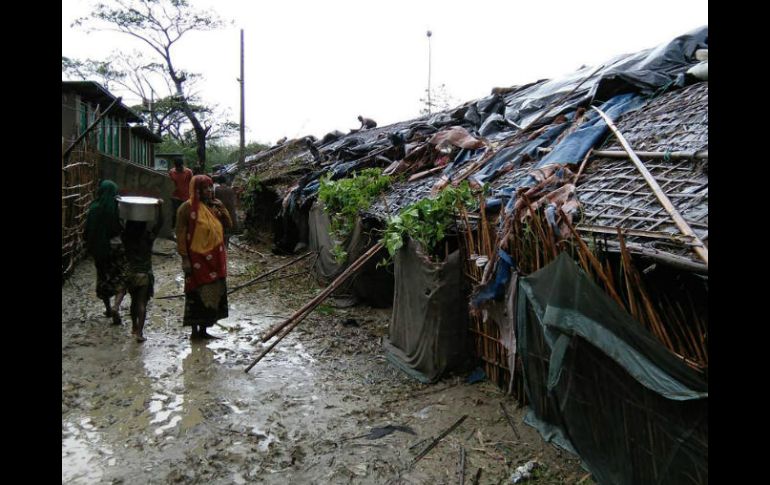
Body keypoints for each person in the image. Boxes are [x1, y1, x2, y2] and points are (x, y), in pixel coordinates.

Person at [175, 175, 232, 340]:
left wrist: (222, 208)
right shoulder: (186, 208)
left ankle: (204, 330)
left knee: (213, 292)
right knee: (196, 292)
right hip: (196, 259)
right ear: (197, 190)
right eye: (205, 188)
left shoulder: (213, 206)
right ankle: (195, 331)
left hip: (215, 258)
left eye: (210, 187)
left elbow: (229, 225)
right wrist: (185, 258)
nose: (209, 191)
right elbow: (180, 233)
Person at [84, 180, 127, 325]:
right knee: (121, 277)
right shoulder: (118, 207)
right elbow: (122, 227)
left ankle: (108, 309)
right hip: (116, 247)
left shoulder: (94, 208)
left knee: (103, 278)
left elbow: (88, 230)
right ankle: (116, 306)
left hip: (100, 249)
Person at [121, 200, 164, 342]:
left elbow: (117, 223)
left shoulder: (126, 237)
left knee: (133, 302)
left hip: (131, 273)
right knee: (142, 303)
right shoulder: (148, 237)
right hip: (144, 274)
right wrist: (160, 208)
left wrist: (118, 207)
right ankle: (140, 332)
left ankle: (134, 326)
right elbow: (160, 223)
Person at [212, 174, 239, 248]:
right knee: (227, 234)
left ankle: (221, 248)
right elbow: (234, 202)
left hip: (220, 214)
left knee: (221, 233)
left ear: (218, 181)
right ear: (226, 181)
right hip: (230, 214)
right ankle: (226, 248)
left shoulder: (216, 190)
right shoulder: (231, 190)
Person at [168, 159, 193, 232]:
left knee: (185, 213)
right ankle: (174, 229)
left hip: (186, 197)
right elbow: (169, 183)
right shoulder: (171, 172)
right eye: (177, 167)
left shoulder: (188, 172)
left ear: (183, 165)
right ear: (175, 166)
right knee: (175, 213)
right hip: (175, 196)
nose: (179, 169)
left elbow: (192, 183)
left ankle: (185, 229)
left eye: (180, 167)